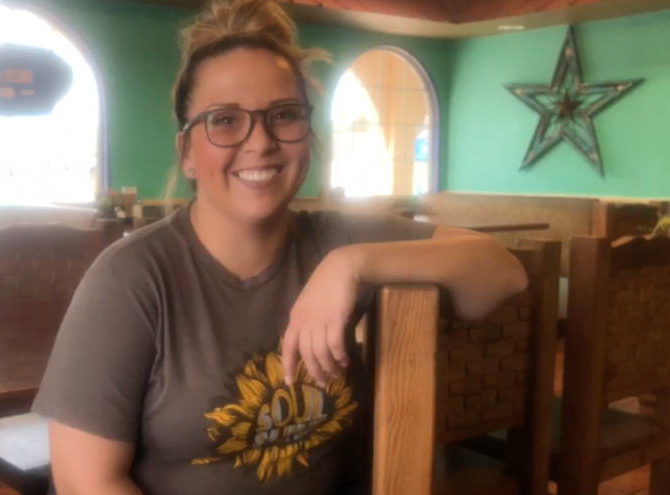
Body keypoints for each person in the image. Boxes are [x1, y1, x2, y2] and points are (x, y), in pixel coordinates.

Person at [32, 1, 528, 494]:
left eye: (284, 115)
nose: (261, 141)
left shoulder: (340, 239)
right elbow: (85, 482)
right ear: (187, 152)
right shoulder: (131, 278)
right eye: (225, 120)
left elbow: (502, 273)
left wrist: (352, 263)